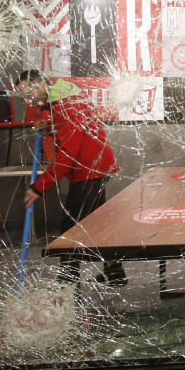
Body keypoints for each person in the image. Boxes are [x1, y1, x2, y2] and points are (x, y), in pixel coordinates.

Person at [15, 70, 125, 285]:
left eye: (29, 93)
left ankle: (69, 276)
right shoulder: (60, 100)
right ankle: (114, 271)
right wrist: (48, 126)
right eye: (24, 96)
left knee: (69, 226)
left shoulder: (66, 105)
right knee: (98, 222)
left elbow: (67, 153)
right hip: (92, 166)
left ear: (42, 85)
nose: (28, 100)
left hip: (89, 170)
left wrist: (39, 187)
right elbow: (68, 132)